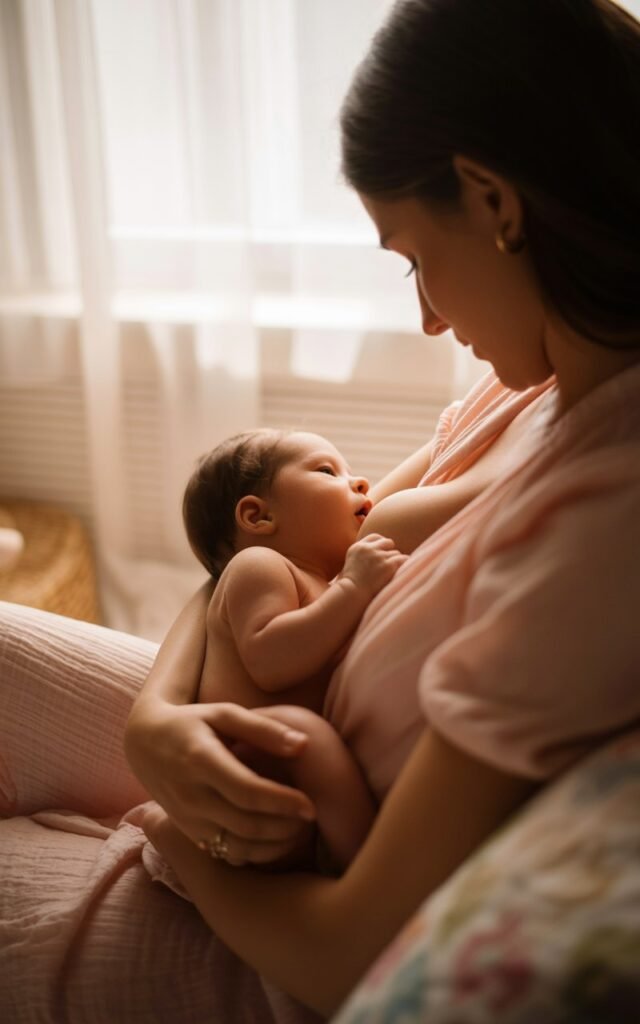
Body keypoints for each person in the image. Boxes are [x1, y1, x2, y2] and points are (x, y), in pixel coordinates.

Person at [1, 0, 639, 1019]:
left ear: (491, 200)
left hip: (269, 914)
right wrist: (156, 720)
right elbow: (270, 552)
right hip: (249, 727)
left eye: (414, 257)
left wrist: (174, 842)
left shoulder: (603, 520)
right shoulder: (535, 375)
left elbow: (355, 952)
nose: (426, 314)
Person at [159, 427, 407, 871]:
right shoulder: (259, 566)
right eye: (328, 470)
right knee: (301, 732)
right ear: (257, 517)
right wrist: (353, 587)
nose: (360, 482)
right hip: (243, 764)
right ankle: (364, 869)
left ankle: (333, 859)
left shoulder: (318, 584)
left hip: (286, 789)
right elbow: (270, 662)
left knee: (309, 739)